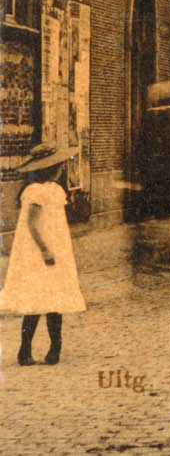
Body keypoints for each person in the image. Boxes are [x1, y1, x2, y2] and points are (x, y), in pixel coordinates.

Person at [0, 142, 86, 365]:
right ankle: (24, 350)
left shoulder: (56, 190)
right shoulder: (35, 191)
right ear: (50, 168)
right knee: (37, 299)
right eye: (59, 166)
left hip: (56, 247)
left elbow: (56, 221)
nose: (61, 169)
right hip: (39, 251)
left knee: (55, 299)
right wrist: (45, 250)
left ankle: (55, 349)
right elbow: (32, 224)